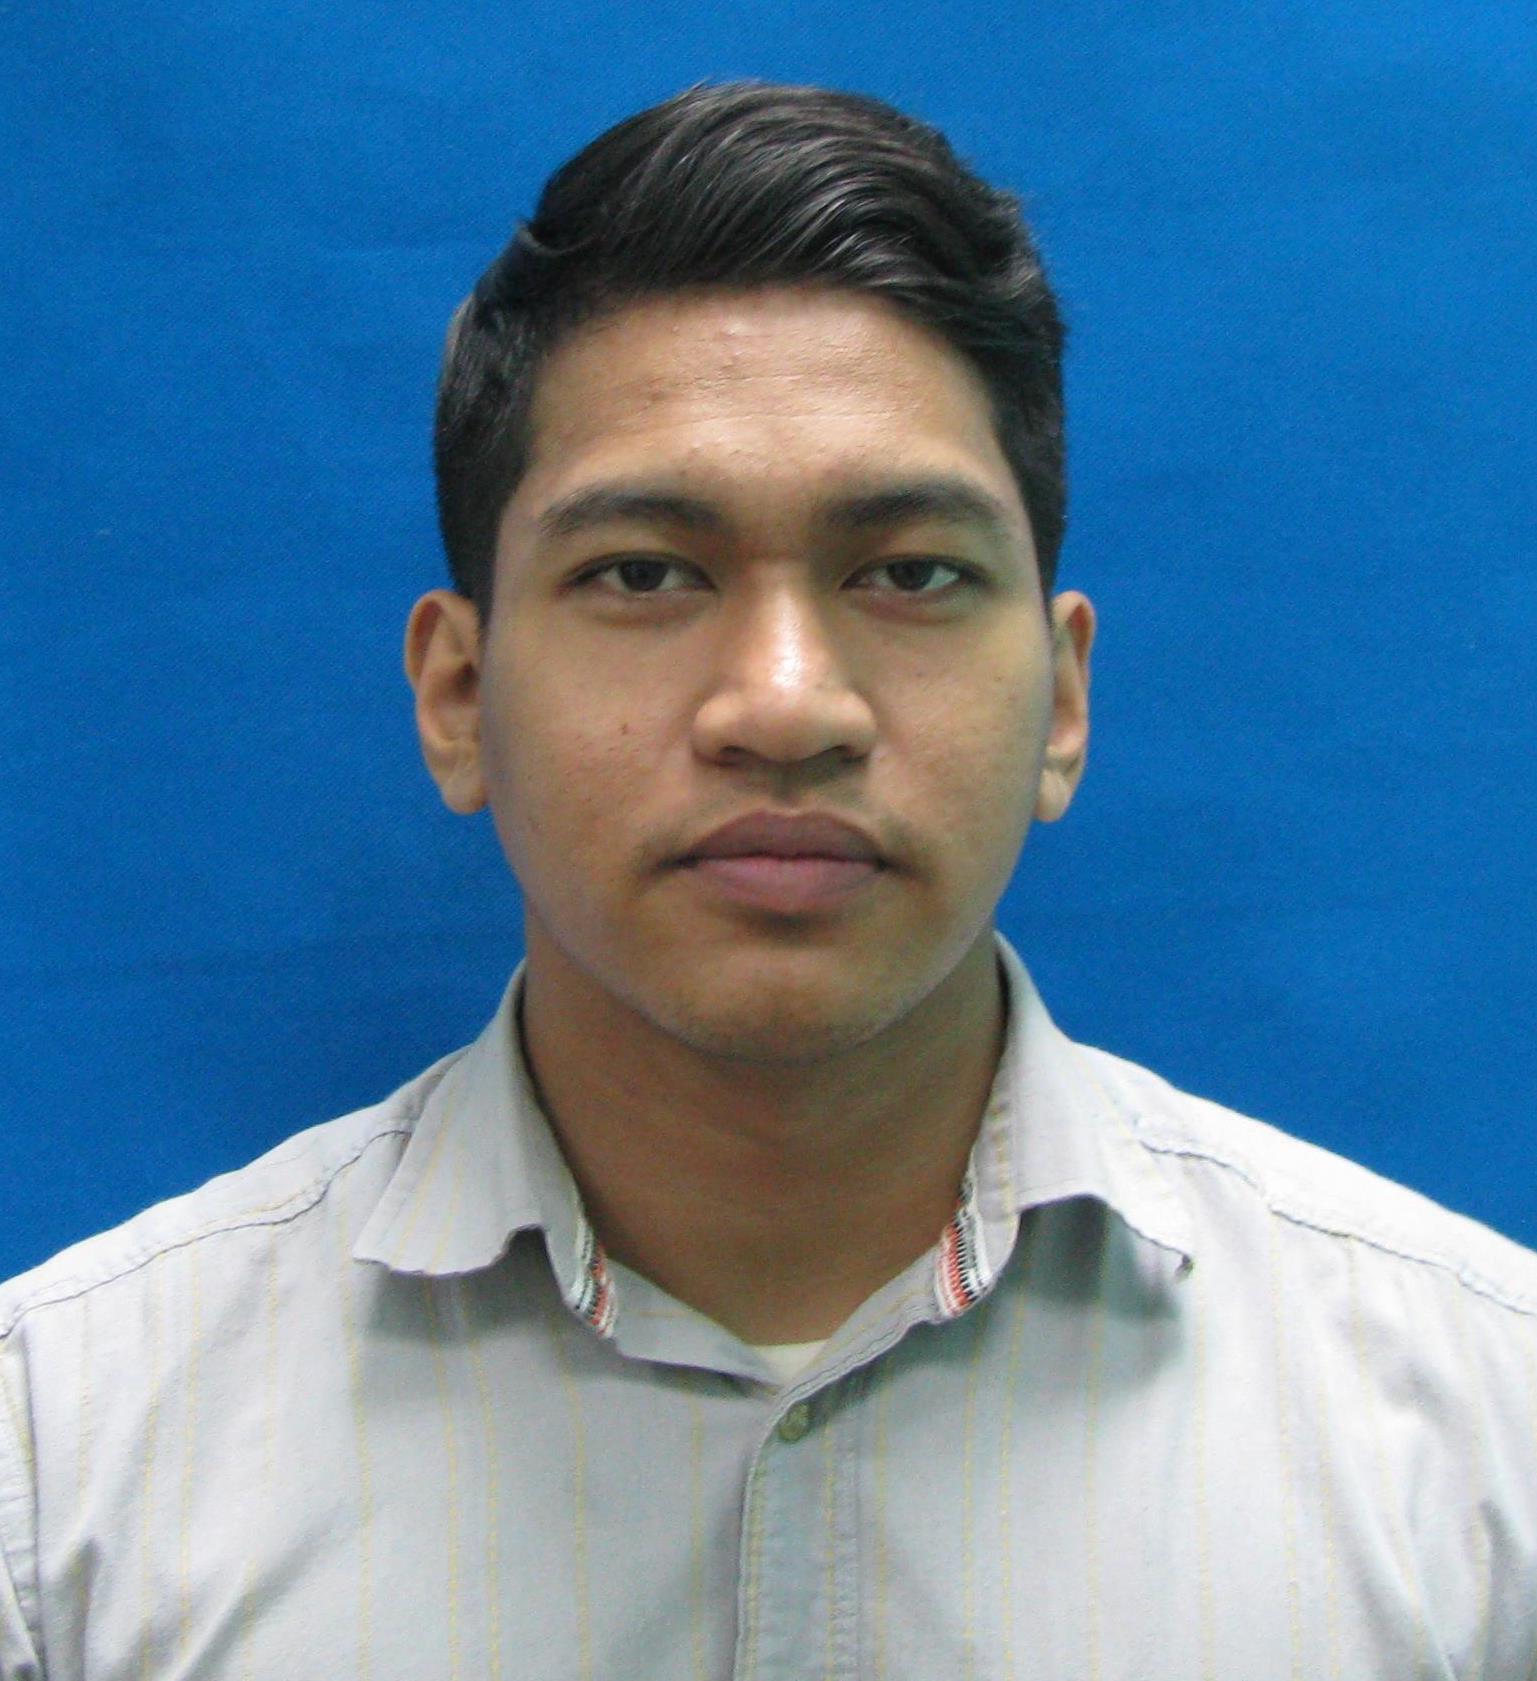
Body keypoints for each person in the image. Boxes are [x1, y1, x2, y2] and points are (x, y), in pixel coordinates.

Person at [2, 79, 1534, 1681]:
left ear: (1063, 701)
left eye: (909, 572)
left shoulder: (1488, 1449)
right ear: (456, 696)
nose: (787, 705)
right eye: (643, 572)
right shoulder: (59, 1478)